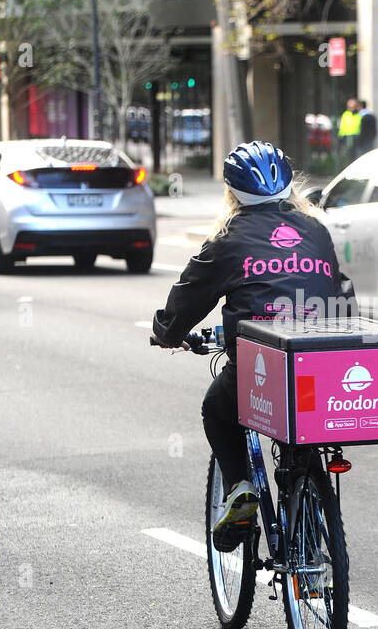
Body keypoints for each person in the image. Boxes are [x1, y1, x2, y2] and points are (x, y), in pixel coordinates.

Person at [151, 140, 356, 546]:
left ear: (231, 192)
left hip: (259, 360)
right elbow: (341, 293)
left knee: (217, 409)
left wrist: (166, 332)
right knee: (302, 420)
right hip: (319, 359)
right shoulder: (315, 230)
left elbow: (188, 297)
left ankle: (240, 487)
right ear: (288, 186)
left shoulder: (229, 238)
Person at [337, 97, 361, 166]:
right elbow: (342, 126)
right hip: (346, 137)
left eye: (353, 106)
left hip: (356, 137)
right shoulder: (345, 114)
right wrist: (341, 136)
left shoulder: (359, 115)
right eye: (349, 106)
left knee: (356, 156)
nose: (351, 107)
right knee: (348, 156)